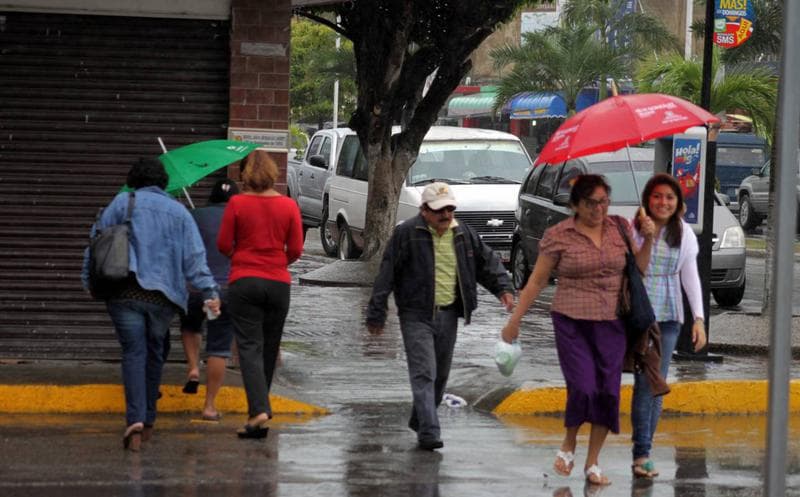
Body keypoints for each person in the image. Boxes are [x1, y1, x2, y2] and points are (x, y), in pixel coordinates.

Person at [501, 174, 655, 486]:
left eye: (603, 201)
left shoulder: (620, 228)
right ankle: (568, 445)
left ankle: (593, 462)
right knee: (583, 386)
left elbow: (638, 269)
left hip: (613, 324)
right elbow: (537, 280)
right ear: (575, 205)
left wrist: (649, 238)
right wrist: (515, 319)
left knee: (607, 392)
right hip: (571, 322)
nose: (599, 208)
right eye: (591, 203)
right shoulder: (559, 235)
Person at [81, 157, 221, 452]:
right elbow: (195, 259)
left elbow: (95, 242)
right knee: (155, 353)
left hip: (124, 292)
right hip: (163, 298)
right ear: (163, 181)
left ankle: (134, 420)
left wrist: (88, 281)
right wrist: (210, 290)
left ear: (134, 178)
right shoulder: (179, 212)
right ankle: (149, 419)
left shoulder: (122, 203)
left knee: (133, 352)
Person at [366, 182, 514, 451]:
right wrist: (377, 311)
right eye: (439, 210)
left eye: (449, 209)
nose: (446, 215)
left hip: (449, 314)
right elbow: (387, 273)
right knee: (424, 373)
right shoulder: (407, 234)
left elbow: (486, 262)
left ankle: (420, 419)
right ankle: (430, 432)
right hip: (415, 315)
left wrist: (503, 289)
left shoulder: (463, 234)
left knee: (440, 377)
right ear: (424, 211)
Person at [217, 150, 304, 439]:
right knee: (269, 348)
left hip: (245, 281)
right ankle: (259, 417)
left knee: (249, 348)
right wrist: (277, 264)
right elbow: (296, 250)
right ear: (272, 174)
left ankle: (258, 410)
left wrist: (240, 257)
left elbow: (223, 243)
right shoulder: (289, 206)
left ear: (245, 175)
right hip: (279, 284)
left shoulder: (237, 203)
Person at [629, 173, 706, 478]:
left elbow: (690, 277)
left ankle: (643, 451)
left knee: (656, 385)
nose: (663, 203)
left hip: (671, 315)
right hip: (640, 314)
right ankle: (642, 452)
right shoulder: (634, 229)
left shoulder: (684, 233)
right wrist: (646, 236)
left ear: (678, 204)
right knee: (645, 383)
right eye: (657, 196)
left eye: (670, 198)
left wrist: (698, 319)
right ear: (648, 198)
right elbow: (635, 268)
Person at [179, 179, 240, 423]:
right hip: (225, 290)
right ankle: (209, 406)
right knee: (218, 348)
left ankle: (193, 368)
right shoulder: (239, 217)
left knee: (190, 327)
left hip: (194, 288)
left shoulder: (194, 215)